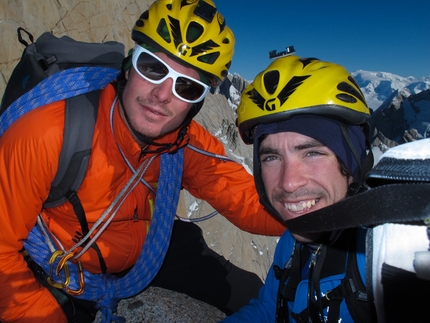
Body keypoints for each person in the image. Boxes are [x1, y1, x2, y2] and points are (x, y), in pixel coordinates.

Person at [0, 1, 286, 322]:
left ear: (196, 103)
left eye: (187, 86)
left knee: (258, 296)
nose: (163, 95)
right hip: (63, 261)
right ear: (129, 65)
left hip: (150, 248)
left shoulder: (184, 142)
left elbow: (246, 199)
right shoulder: (49, 132)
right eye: (153, 67)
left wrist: (321, 210)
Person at [221, 54, 377, 322]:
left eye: (312, 153)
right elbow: (268, 310)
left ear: (353, 167)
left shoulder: (383, 258)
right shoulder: (292, 243)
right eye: (271, 157)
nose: (288, 183)